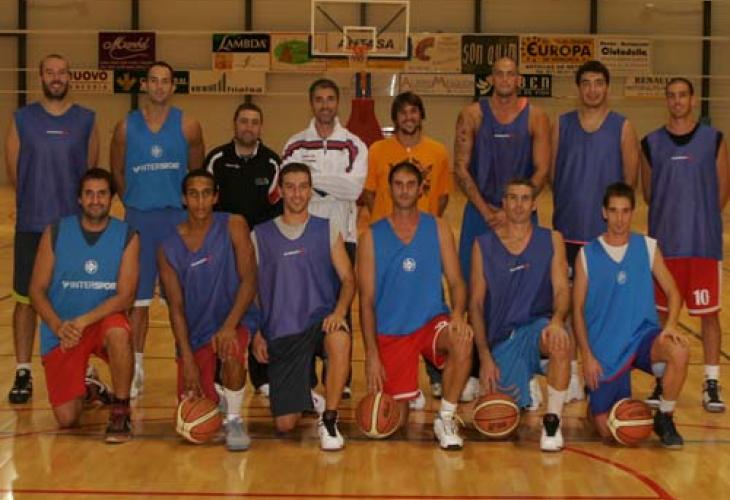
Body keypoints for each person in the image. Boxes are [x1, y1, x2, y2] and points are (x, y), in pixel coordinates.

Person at [453, 56, 552, 404]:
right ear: (492, 78)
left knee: (526, 293)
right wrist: (488, 211)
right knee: (472, 292)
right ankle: (472, 368)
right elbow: (460, 168)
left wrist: (516, 207)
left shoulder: (536, 117)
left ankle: (525, 367)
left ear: (519, 79)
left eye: (511, 74)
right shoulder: (472, 115)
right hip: (480, 213)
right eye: (500, 73)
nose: (506, 79)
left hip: (521, 212)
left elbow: (542, 170)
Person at [5, 53, 99, 404]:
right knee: (25, 300)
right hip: (32, 224)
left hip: (71, 227)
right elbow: (14, 171)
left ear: (69, 76)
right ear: (41, 76)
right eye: (50, 72)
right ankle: (23, 371)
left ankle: (83, 367)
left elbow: (91, 173)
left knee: (76, 297)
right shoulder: (22, 119)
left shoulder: (86, 119)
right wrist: (33, 203)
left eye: (62, 72)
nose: (56, 77)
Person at [359, 161, 473, 450]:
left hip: (430, 322)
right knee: (392, 423)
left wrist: (457, 316)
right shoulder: (371, 236)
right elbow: (366, 301)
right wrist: (371, 353)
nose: (404, 190)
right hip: (392, 331)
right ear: (389, 189)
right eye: (398, 184)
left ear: (421, 189)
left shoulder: (438, 228)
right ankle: (409, 391)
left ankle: (445, 417)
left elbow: (457, 282)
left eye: (411, 184)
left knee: (461, 339)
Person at [110, 60, 205, 398]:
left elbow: (196, 176)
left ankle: (187, 364)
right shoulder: (125, 127)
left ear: (173, 86)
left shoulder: (188, 126)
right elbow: (116, 171)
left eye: (166, 81)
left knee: (183, 300)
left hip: (176, 223)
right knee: (137, 301)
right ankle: (135, 367)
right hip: (139, 221)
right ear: (145, 85)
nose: (160, 86)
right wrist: (134, 202)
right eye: (154, 80)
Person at [572, 182, 689, 448]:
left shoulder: (647, 247)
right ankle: (595, 405)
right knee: (609, 431)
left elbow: (674, 293)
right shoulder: (587, 255)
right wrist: (587, 356)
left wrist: (670, 326)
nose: (619, 218)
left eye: (625, 211)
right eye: (613, 211)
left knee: (679, 350)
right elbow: (576, 309)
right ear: (604, 212)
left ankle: (665, 417)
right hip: (606, 348)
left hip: (642, 337)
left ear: (633, 212)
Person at [28, 168, 138, 443]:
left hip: (100, 323)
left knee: (119, 333)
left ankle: (121, 410)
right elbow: (36, 290)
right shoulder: (55, 232)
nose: (95, 200)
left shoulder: (127, 235)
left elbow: (125, 296)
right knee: (67, 418)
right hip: (63, 329)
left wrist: (82, 322)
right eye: (89, 194)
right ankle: (89, 386)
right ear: (79, 198)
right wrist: (58, 326)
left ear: (111, 198)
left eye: (102, 194)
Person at [250, 162, 354, 451]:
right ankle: (308, 398)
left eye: (303, 187)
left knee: (340, 340)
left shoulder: (327, 228)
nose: (297, 194)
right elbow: (252, 290)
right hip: (283, 331)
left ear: (310, 191)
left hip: (320, 322)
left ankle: (329, 419)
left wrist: (339, 312)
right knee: (285, 424)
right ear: (281, 191)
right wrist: (257, 332)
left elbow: (348, 279)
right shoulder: (260, 235)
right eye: (290, 187)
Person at [640, 77, 729, 413]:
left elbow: (722, 192)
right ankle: (661, 378)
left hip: (702, 244)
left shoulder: (714, 140)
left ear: (692, 100)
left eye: (682, 95)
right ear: (667, 101)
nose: (677, 101)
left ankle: (711, 383)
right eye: (671, 96)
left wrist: (699, 218)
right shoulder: (650, 143)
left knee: (709, 316)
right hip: (665, 247)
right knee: (662, 317)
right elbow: (648, 194)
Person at [158, 170, 258, 451]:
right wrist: (186, 357)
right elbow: (176, 308)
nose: (200, 201)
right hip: (196, 331)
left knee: (231, 351)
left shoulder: (234, 225)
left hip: (234, 318)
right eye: (193, 194)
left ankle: (235, 418)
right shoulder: (168, 247)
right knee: (192, 416)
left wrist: (229, 326)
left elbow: (250, 280)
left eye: (206, 194)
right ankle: (219, 393)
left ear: (215, 197)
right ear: (184, 199)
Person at [469, 178, 571, 452]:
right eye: (512, 198)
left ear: (534, 204)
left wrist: (557, 321)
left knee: (560, 341)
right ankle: (526, 382)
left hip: (537, 329)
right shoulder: (483, 245)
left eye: (525, 198)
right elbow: (475, 305)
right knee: (500, 420)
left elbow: (562, 289)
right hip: (503, 340)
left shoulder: (551, 239)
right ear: (503, 203)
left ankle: (553, 423)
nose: (518, 204)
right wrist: (484, 357)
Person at [362, 91, 451, 401]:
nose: (409, 117)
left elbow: (442, 197)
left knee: (432, 305)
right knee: (390, 310)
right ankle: (399, 372)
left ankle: (437, 375)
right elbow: (370, 194)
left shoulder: (437, 151)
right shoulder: (377, 150)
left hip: (422, 243)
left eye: (414, 112)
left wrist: (425, 230)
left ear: (421, 116)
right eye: (403, 112)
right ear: (395, 118)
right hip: (388, 245)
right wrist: (387, 223)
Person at [282, 78, 367, 398]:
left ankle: (340, 376)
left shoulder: (354, 144)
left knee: (340, 304)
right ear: (311, 103)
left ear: (337, 102)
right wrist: (333, 183)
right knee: (302, 304)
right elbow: (289, 185)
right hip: (302, 233)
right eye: (319, 99)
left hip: (343, 236)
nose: (325, 105)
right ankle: (303, 376)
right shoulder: (294, 144)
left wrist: (311, 180)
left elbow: (354, 189)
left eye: (330, 99)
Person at [204, 101, 282, 397]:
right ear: (235, 124)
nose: (249, 127)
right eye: (244, 121)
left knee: (262, 306)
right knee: (225, 305)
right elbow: (207, 203)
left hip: (260, 246)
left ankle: (262, 374)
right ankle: (219, 371)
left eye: (254, 122)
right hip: (223, 247)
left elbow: (277, 208)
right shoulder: (217, 160)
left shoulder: (272, 163)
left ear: (261, 127)